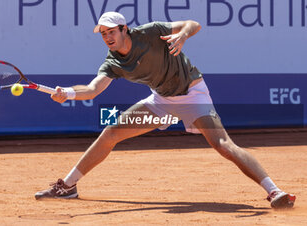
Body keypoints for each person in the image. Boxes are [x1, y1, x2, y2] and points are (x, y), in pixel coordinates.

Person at [35, 12, 296, 208]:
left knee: (222, 144)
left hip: (193, 95)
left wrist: (182, 35)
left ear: (125, 29)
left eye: (111, 32)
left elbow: (193, 24)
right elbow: (92, 89)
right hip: (161, 101)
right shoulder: (113, 61)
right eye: (103, 34)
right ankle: (67, 186)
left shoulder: (150, 32)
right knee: (111, 132)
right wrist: (67, 93)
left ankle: (274, 191)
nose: (107, 38)